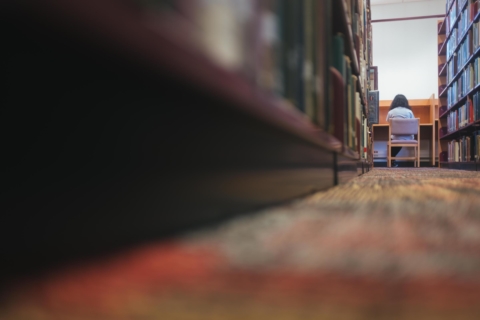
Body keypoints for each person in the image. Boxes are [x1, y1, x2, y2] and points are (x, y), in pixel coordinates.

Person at [386, 94, 415, 167]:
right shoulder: (409, 112)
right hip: (408, 138)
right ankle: (392, 160)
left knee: (393, 139)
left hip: (395, 138)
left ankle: (391, 160)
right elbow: (413, 122)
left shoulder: (391, 112)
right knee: (401, 139)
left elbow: (387, 122)